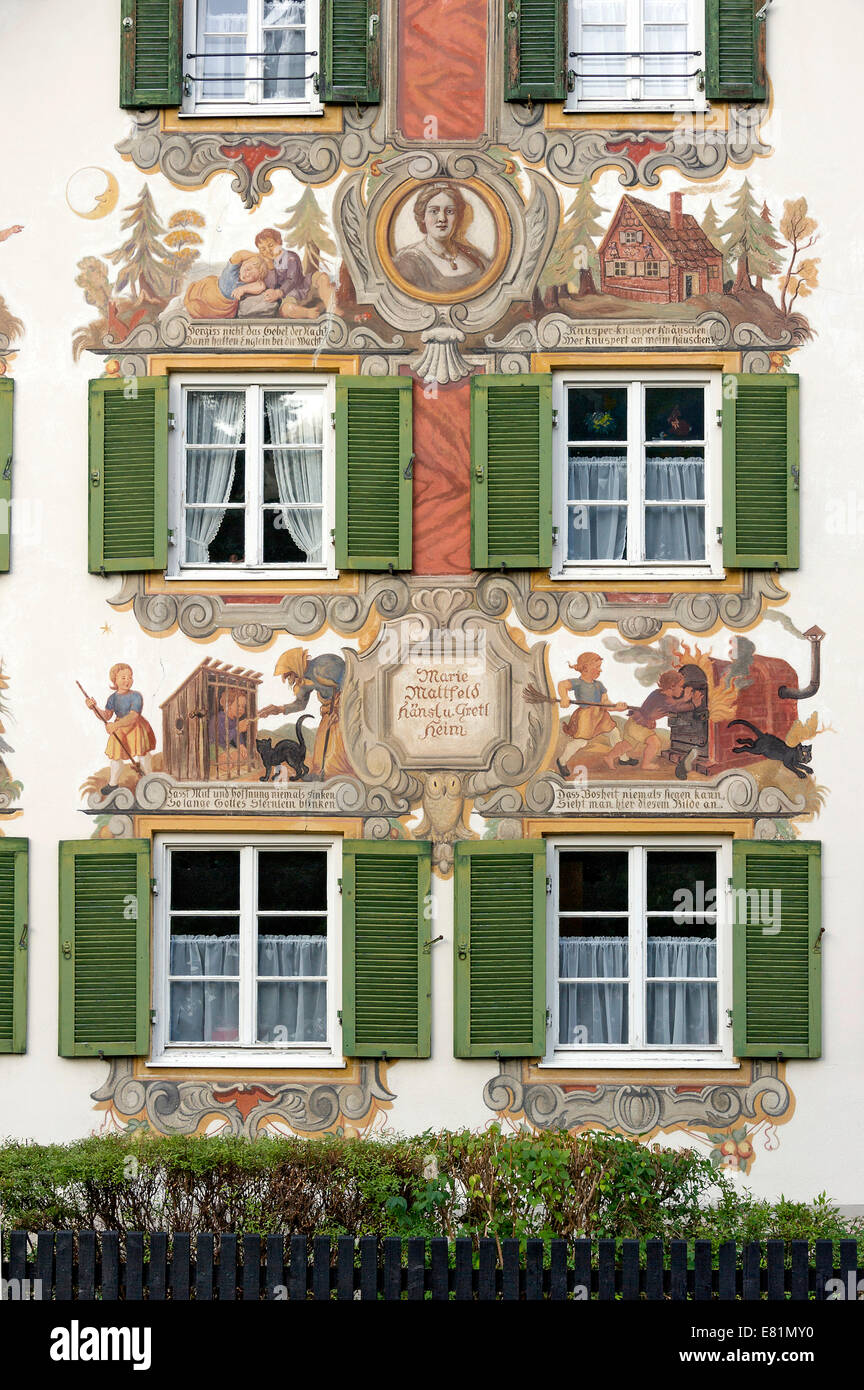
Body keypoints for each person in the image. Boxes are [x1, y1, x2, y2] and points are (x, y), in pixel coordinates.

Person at [258, 647, 352, 780]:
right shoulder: (303, 680)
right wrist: (279, 709)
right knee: (321, 742)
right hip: (329, 712)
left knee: (336, 747)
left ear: (295, 666)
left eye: (289, 675)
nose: (290, 680)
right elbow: (300, 704)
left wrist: (341, 710)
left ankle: (335, 777)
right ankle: (317, 774)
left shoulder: (322, 667)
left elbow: (350, 683)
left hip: (345, 708)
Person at [393, 183, 490, 296]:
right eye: (434, 211)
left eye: (449, 211)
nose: (442, 219)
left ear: (458, 217)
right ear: (422, 216)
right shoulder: (408, 262)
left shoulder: (474, 256)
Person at [604, 669, 702, 772]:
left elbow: (672, 704)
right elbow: (676, 707)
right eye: (681, 686)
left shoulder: (658, 693)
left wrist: (683, 700)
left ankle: (609, 757)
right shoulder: (666, 700)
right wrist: (693, 704)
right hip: (639, 726)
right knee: (654, 743)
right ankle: (646, 764)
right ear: (672, 686)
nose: (682, 690)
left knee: (627, 744)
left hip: (633, 722)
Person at [86, 663, 156, 796]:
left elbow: (133, 716)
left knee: (142, 754)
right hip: (119, 728)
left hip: (135, 728)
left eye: (130, 677)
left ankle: (149, 780)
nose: (127, 680)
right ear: (115, 680)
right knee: (115, 755)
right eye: (123, 677)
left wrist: (115, 726)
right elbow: (106, 715)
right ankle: (113, 784)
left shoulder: (136, 696)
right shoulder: (112, 698)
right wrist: (94, 708)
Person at [555, 651, 627, 778]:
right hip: (586, 716)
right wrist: (564, 697)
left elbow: (605, 703)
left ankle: (623, 758)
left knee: (614, 732)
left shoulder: (599, 685)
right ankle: (561, 761)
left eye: (600, 667)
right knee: (581, 742)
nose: (600, 670)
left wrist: (616, 707)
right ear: (586, 667)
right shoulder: (579, 683)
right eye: (597, 667)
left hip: (600, 714)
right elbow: (562, 685)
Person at [254, 228, 333, 320]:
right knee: (286, 310)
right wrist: (271, 267)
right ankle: (307, 312)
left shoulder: (290, 257)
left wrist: (279, 292)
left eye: (271, 245)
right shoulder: (266, 265)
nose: (268, 250)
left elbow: (292, 279)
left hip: (303, 285)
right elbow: (271, 285)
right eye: (263, 249)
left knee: (322, 277)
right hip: (289, 295)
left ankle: (332, 308)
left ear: (279, 242)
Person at [183, 250, 269, 319]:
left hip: (221, 307)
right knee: (193, 295)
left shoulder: (246, 284)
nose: (247, 274)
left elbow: (261, 285)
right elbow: (237, 255)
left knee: (196, 308)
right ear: (243, 264)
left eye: (252, 276)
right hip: (208, 291)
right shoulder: (232, 271)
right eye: (248, 269)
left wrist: (243, 289)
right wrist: (257, 255)